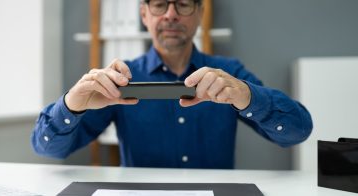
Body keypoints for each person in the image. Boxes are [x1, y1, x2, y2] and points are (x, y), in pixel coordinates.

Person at [31, 0, 313, 169]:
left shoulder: (229, 74)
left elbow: (297, 131)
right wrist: (71, 105)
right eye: (159, 4)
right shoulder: (121, 80)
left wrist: (249, 96)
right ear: (145, 14)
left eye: (183, 3)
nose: (171, 14)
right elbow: (49, 149)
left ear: (200, 13)